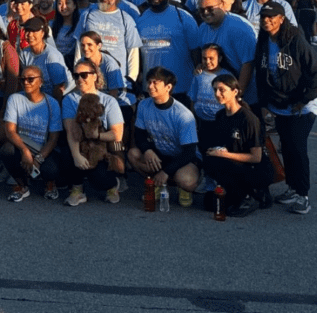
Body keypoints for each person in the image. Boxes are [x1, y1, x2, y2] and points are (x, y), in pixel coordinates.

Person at [254, 2, 317, 215]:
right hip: (279, 104)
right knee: (287, 148)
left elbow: (314, 71)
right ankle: (292, 188)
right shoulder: (264, 39)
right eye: (263, 17)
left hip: (301, 106)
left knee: (298, 150)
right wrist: (264, 104)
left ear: (282, 18)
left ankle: (303, 195)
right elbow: (261, 74)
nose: (266, 21)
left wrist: (305, 98)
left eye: (272, 17)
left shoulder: (296, 40)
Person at [127, 67, 201, 207]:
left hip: (183, 158)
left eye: (155, 83)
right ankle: (157, 183)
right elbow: (139, 134)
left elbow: (189, 152)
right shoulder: (143, 105)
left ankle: (181, 188)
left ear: (168, 87)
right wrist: (147, 150)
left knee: (186, 181)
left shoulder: (183, 115)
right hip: (160, 155)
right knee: (133, 154)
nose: (150, 86)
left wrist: (166, 172)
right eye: (149, 82)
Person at [203, 74, 273, 217]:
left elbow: (256, 157)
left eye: (222, 90)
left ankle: (252, 195)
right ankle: (238, 194)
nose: (217, 94)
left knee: (221, 162)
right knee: (209, 202)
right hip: (234, 163)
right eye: (215, 90)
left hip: (255, 168)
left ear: (234, 91)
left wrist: (224, 154)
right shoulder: (221, 115)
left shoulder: (248, 119)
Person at [61, 59, 125, 207]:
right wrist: (76, 156)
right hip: (79, 143)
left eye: (84, 75)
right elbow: (70, 129)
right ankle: (77, 189)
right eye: (76, 76)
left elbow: (117, 135)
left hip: (102, 146)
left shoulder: (108, 101)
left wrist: (96, 135)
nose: (79, 79)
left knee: (99, 179)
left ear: (95, 76)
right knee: (67, 154)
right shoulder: (69, 99)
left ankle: (112, 185)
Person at [0, 65, 63, 202]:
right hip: (23, 143)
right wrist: (24, 151)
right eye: (22, 80)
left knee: (51, 169)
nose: (26, 83)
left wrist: (38, 159)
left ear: (41, 82)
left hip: (43, 148)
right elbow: (10, 130)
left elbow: (53, 139)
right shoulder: (15, 99)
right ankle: (22, 185)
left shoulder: (52, 104)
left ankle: (50, 184)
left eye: (30, 79)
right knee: (7, 150)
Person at [137, 0, 199, 104]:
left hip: (180, 87)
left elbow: (195, 49)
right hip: (151, 88)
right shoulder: (141, 18)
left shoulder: (183, 17)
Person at [18, 17, 72, 101]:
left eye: (34, 31)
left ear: (42, 33)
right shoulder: (24, 54)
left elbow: (59, 88)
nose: (30, 35)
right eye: (27, 31)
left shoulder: (51, 56)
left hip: (64, 96)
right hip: (40, 97)